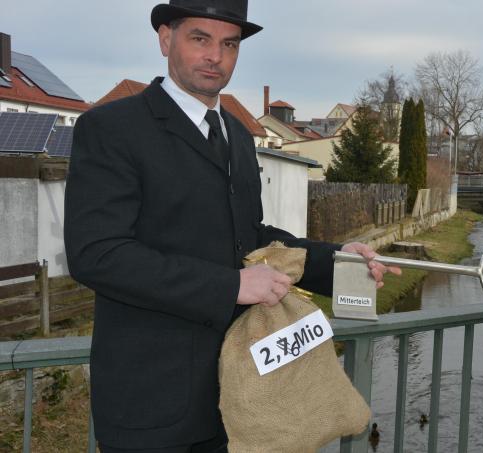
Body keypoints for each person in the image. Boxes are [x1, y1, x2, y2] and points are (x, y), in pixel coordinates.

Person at [64, 1, 399, 451]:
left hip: (236, 399)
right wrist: (229, 287)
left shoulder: (238, 135)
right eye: (199, 38)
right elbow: (97, 254)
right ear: (166, 39)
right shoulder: (111, 128)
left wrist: (339, 261)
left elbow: (251, 237)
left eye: (229, 44)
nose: (215, 56)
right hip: (149, 404)